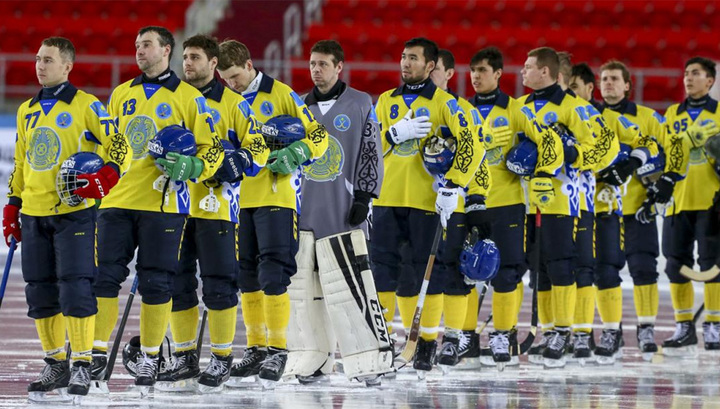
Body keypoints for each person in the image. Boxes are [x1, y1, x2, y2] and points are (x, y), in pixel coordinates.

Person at [91, 26, 223, 390]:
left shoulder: (188, 97)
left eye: (146, 45)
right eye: (136, 45)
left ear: (166, 50)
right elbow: (109, 145)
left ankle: (150, 357)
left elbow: (210, 149)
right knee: (103, 278)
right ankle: (96, 354)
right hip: (116, 202)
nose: (139, 51)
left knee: (157, 282)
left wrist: (194, 168)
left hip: (164, 205)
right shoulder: (120, 94)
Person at [3, 37, 130, 400]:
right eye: (38, 59)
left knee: (75, 287)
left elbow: (119, 145)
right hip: (34, 213)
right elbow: (22, 162)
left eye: (48, 60)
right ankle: (56, 362)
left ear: (67, 66)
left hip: (74, 213)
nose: (40, 65)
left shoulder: (88, 105)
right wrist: (13, 203)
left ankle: (81, 363)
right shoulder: (26, 109)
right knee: (40, 292)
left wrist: (108, 174)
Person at [154, 34, 268, 391]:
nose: (187, 63)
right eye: (184, 57)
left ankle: (221, 357)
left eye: (195, 57)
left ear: (213, 63)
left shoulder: (234, 104)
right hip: (172, 205)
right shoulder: (171, 99)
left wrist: (243, 160)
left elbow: (259, 142)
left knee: (219, 284)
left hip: (216, 205)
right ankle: (186, 356)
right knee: (178, 282)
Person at [217, 39, 329, 387]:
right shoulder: (225, 101)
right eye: (224, 79)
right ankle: (256, 348)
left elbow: (319, 136)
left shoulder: (282, 94)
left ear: (249, 65)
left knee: (273, 275)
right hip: (238, 201)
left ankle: (279, 349)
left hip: (277, 198)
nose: (231, 84)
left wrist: (297, 153)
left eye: (235, 76)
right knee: (246, 276)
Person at [371, 37, 486, 374]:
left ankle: (425, 343)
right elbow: (367, 148)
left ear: (431, 66)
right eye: (403, 57)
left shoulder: (447, 104)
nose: (405, 63)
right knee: (384, 273)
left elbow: (472, 146)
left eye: (414, 58)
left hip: (427, 202)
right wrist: (392, 135)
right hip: (387, 199)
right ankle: (382, 342)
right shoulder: (385, 101)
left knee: (426, 273)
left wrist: (454, 184)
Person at [283, 39, 393, 386]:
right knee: (305, 293)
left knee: (353, 289)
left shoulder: (361, 103)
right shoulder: (300, 106)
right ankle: (313, 358)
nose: (316, 70)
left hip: (344, 211)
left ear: (339, 67)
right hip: (306, 212)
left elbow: (371, 152)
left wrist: (364, 195)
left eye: (323, 64)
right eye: (312, 64)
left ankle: (369, 361)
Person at [571, 62, 659, 363]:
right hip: (570, 206)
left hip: (607, 205)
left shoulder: (605, 117)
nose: (607, 84)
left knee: (608, 269)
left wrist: (630, 165)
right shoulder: (566, 116)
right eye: (604, 78)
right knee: (574, 272)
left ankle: (612, 331)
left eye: (574, 87)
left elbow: (652, 145)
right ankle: (575, 332)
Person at [518, 47, 596, 367]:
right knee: (539, 269)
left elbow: (595, 150)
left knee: (561, 263)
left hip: (562, 198)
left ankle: (564, 330)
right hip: (526, 199)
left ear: (546, 72)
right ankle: (549, 330)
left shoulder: (572, 107)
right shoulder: (519, 107)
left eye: (528, 66)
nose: (522, 71)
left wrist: (570, 151)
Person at [426, 49, 499, 367]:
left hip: (452, 205)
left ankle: (453, 339)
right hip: (413, 204)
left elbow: (478, 157)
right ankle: (420, 340)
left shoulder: (462, 109)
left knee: (453, 273)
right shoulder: (407, 106)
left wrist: (477, 201)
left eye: (435, 69)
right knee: (414, 274)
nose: (429, 74)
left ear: (447, 74)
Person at [594, 60, 669, 357]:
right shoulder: (591, 117)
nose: (608, 83)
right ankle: (611, 331)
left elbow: (668, 155)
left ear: (628, 85)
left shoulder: (649, 118)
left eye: (614, 79)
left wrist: (647, 174)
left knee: (644, 268)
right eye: (604, 79)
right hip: (603, 207)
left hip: (639, 207)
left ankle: (646, 328)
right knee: (605, 272)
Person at [465, 47, 530, 368]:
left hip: (508, 204)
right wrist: (481, 140)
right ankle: (464, 335)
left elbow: (546, 148)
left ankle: (503, 334)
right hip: (471, 203)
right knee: (465, 273)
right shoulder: (461, 110)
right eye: (473, 70)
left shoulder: (517, 111)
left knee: (506, 274)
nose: (476, 76)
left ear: (498, 74)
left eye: (482, 70)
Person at [655, 57, 720, 354]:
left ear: (710, 81)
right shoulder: (671, 113)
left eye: (696, 74)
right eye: (686, 74)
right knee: (675, 265)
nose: (688, 78)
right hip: (678, 200)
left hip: (712, 201)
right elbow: (665, 153)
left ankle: (714, 325)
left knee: (712, 267)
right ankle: (684, 326)